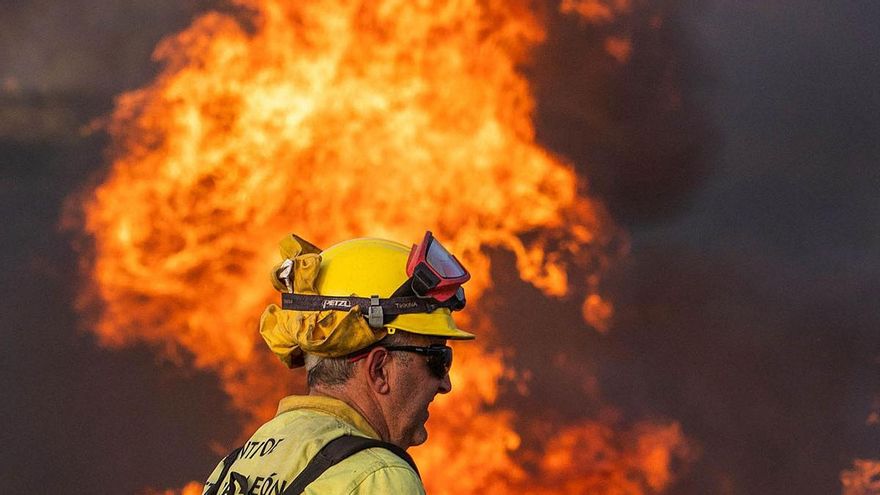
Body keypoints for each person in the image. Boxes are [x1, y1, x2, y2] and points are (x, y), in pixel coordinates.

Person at [202, 231, 474, 495]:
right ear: (379, 370)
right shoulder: (379, 477)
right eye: (438, 358)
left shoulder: (232, 468)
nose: (445, 383)